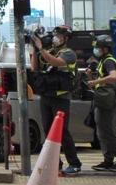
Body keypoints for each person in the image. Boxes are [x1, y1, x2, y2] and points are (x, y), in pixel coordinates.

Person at [30, 25, 82, 176]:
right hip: (46, 96)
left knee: (62, 131)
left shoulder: (69, 54)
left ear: (65, 39)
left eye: (59, 35)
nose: (55, 38)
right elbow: (34, 68)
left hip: (61, 97)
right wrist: (34, 48)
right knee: (47, 130)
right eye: (55, 35)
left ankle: (74, 163)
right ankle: (55, 163)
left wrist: (41, 49)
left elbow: (55, 62)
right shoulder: (49, 51)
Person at [88, 35, 116, 172]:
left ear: (105, 48)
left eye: (98, 47)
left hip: (109, 100)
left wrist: (95, 82)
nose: (96, 49)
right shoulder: (103, 61)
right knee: (102, 131)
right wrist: (91, 77)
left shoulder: (109, 61)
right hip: (102, 99)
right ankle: (108, 160)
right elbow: (101, 83)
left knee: (107, 131)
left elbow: (113, 77)